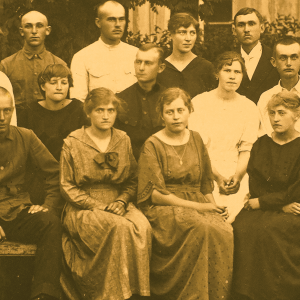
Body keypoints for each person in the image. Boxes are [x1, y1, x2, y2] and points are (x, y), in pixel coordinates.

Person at [137, 87, 233, 300]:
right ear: (161, 115)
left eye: (181, 110)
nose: (176, 117)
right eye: (169, 111)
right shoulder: (153, 144)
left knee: (223, 229)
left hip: (198, 201)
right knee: (199, 227)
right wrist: (202, 207)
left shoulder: (196, 139)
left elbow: (206, 183)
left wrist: (214, 207)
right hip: (166, 207)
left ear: (190, 111)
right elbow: (154, 195)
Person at [60, 87, 151, 300]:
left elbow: (133, 178)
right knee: (118, 227)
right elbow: (66, 186)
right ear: (89, 113)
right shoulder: (73, 141)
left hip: (119, 201)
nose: (106, 116)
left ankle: (135, 295)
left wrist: (122, 200)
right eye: (100, 110)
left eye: (111, 110)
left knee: (143, 227)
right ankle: (112, 294)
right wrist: (97, 205)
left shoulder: (123, 139)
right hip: (83, 207)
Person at [232, 91, 300, 300]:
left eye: (282, 112)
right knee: (241, 228)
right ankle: (244, 294)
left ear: (296, 115)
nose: (276, 118)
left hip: (288, 209)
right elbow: (256, 183)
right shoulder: (261, 144)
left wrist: (265, 203)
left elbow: (295, 190)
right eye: (272, 113)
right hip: (264, 206)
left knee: (271, 233)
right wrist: (272, 204)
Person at [0, 78, 63, 300]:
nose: (2, 117)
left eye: (7, 111)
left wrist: (47, 205)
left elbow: (54, 173)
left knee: (50, 223)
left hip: (17, 210)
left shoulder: (25, 136)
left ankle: (43, 295)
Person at [189, 51, 259, 223]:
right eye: (227, 70)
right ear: (216, 73)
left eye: (237, 72)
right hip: (206, 171)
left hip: (237, 172)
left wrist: (238, 177)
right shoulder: (199, 103)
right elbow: (199, 149)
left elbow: (246, 149)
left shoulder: (249, 107)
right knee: (212, 218)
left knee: (239, 218)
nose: (232, 76)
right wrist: (217, 177)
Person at [0, 11, 66, 115]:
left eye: (39, 26)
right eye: (28, 26)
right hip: (18, 125)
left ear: (47, 30)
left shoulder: (59, 64)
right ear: (21, 31)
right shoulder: (6, 66)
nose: (34, 31)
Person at [17, 64, 88, 161]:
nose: (59, 87)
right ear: (43, 86)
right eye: (53, 82)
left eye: (64, 83)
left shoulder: (80, 109)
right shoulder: (29, 112)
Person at [70, 0, 138, 101]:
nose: (118, 24)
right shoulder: (82, 57)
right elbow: (79, 100)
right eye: (111, 19)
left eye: (121, 19)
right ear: (98, 22)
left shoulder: (136, 54)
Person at [115, 44, 166, 160]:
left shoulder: (169, 99)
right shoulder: (120, 99)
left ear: (161, 68)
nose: (141, 68)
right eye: (138, 62)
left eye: (148, 63)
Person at [157, 13, 216, 98]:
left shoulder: (206, 67)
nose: (188, 38)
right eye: (182, 32)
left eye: (192, 33)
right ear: (170, 35)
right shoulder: (161, 69)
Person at [233, 7, 279, 104]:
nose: (246, 29)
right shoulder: (227, 60)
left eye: (251, 24)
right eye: (241, 25)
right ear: (234, 30)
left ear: (262, 28)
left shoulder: (275, 58)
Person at [258, 38, 300, 136]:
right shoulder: (266, 98)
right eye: (283, 58)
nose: (289, 63)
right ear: (274, 62)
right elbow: (265, 134)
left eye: (294, 57)